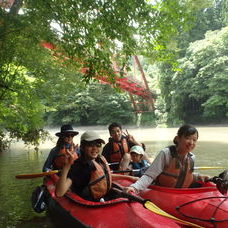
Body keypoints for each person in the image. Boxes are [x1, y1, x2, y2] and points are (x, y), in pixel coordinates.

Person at [124, 124, 210, 193]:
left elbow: (183, 175)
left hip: (182, 194)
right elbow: (150, 176)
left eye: (194, 140)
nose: (191, 142)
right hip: (163, 193)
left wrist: (198, 176)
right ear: (178, 138)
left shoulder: (191, 157)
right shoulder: (166, 153)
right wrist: (134, 188)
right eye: (187, 138)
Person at [55, 131, 138, 201]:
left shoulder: (98, 159)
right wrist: (67, 166)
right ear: (83, 147)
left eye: (98, 144)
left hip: (102, 197)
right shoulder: (78, 166)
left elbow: (104, 176)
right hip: (89, 202)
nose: (95, 148)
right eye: (90, 145)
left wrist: (130, 178)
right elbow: (59, 193)